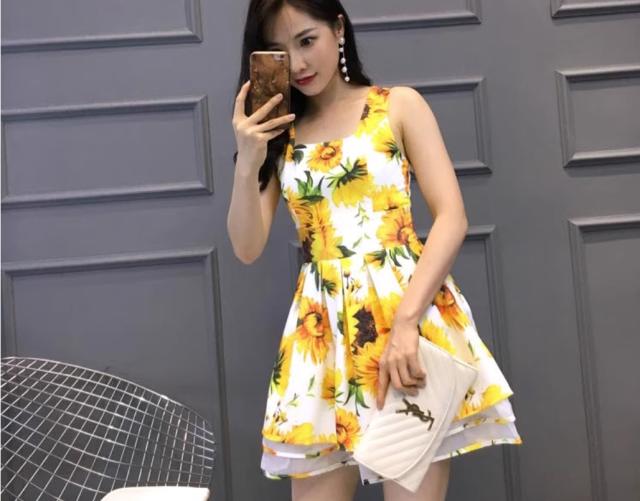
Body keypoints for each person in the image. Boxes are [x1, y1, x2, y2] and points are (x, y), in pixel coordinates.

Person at [227, 1, 523, 500]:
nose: (298, 63)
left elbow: (452, 218)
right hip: (321, 337)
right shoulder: (280, 135)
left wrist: (407, 324)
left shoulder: (397, 106)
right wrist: (249, 159)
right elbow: (246, 246)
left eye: (307, 41)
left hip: (404, 321)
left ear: (338, 29)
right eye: (280, 51)